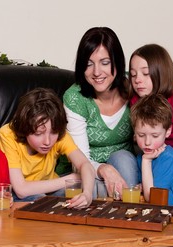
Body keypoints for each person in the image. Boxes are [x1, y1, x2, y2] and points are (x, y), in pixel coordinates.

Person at [63, 26, 138, 199]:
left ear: (117, 63)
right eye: (89, 64)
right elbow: (78, 159)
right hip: (86, 172)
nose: (97, 72)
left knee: (124, 159)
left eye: (105, 63)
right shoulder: (75, 98)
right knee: (91, 189)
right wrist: (105, 170)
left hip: (125, 169)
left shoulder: (133, 85)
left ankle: (129, 212)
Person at [0, 88, 95, 208]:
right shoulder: (7, 135)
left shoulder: (60, 134)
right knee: (41, 200)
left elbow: (85, 164)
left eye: (53, 133)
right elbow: (21, 190)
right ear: (24, 127)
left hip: (50, 190)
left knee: (80, 193)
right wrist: (73, 177)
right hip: (19, 194)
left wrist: (87, 194)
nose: (47, 142)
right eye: (38, 134)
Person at [129, 43, 173, 162]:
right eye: (133, 75)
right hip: (154, 150)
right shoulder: (135, 100)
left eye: (145, 74)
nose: (137, 80)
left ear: (161, 73)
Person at [130, 94, 173, 205]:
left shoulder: (169, 158)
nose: (147, 142)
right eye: (141, 135)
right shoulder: (142, 156)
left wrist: (146, 161)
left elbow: (152, 198)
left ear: (168, 131)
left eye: (155, 136)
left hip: (169, 214)